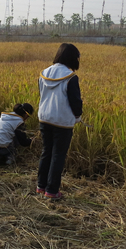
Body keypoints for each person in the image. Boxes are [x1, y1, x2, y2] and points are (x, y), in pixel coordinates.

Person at [37, 43, 83, 200]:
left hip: (44, 118)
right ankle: (52, 190)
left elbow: (42, 94)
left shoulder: (44, 73)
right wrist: (78, 116)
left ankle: (41, 186)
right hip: (62, 122)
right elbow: (75, 101)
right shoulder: (70, 77)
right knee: (58, 155)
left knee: (46, 152)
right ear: (72, 58)